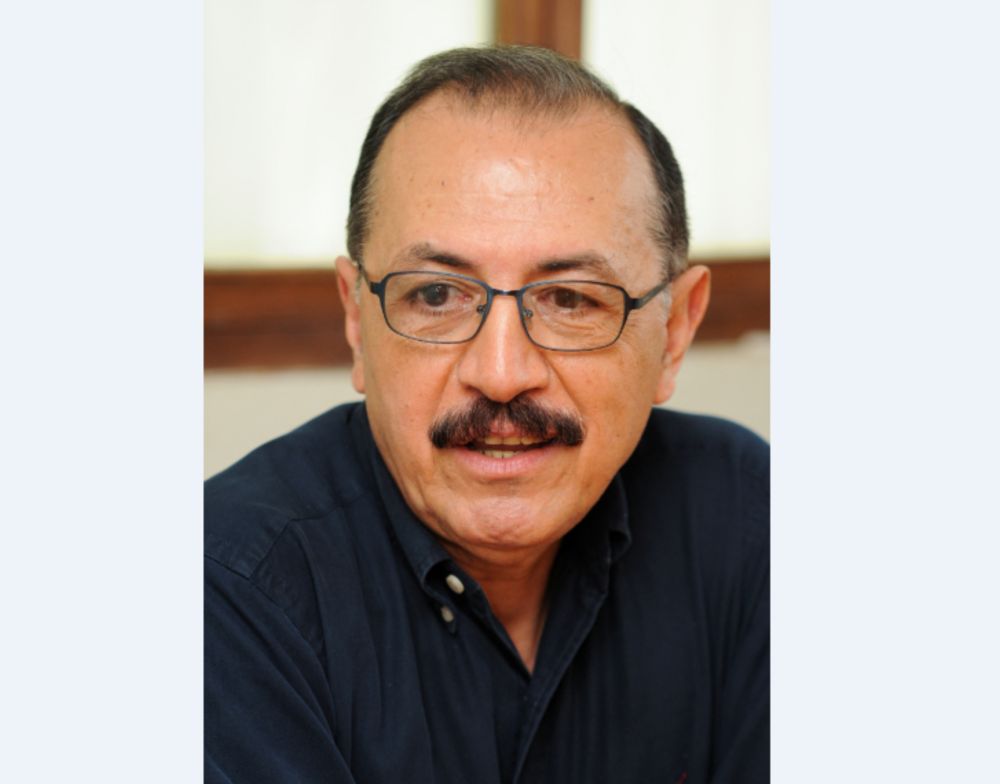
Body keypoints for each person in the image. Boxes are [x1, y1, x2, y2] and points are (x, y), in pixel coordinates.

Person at [205, 45, 768, 784]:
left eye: (571, 300)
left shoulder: (750, 519)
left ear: (675, 331)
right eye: (435, 296)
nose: (501, 374)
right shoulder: (228, 589)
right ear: (355, 319)